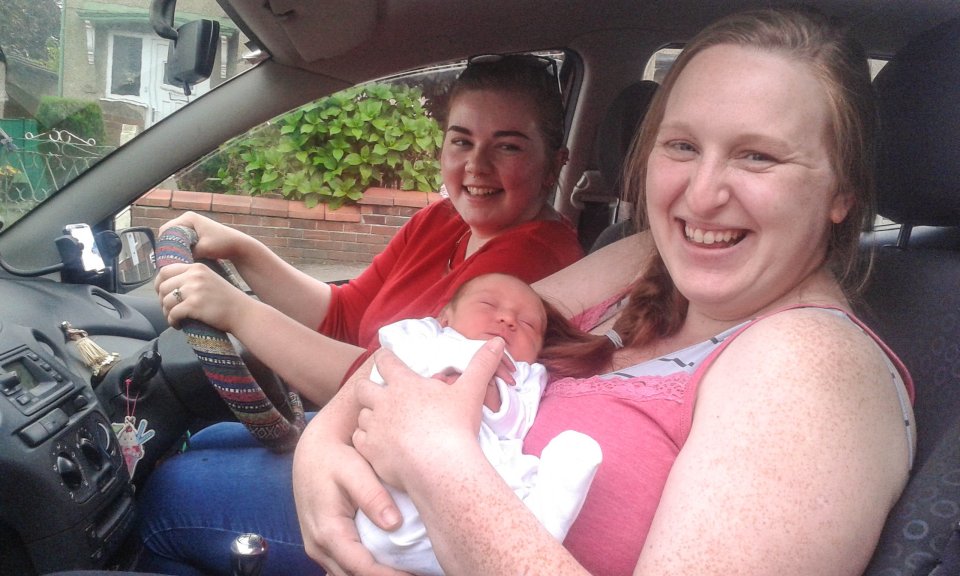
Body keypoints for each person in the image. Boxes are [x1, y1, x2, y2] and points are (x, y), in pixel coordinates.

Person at [292, 7, 917, 576]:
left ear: (842, 193)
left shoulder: (812, 367)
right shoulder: (645, 258)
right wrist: (319, 444)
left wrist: (436, 463)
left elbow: (433, 445)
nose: (701, 195)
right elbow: (436, 342)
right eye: (682, 146)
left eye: (758, 157)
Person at [136, 54, 584, 576]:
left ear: (555, 164)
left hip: (407, 501)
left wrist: (238, 311)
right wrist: (243, 250)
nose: (476, 166)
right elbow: (346, 314)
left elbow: (379, 381)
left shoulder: (533, 268)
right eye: (462, 141)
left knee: (170, 496)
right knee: (207, 441)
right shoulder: (441, 221)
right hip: (359, 444)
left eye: (508, 146)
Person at [355, 273, 602, 576]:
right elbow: (386, 364)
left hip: (480, 504)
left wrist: (494, 396)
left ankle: (535, 533)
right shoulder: (424, 336)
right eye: (488, 304)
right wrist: (466, 360)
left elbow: (518, 423)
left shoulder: (526, 374)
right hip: (392, 500)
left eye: (528, 325)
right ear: (445, 316)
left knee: (525, 472)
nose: (508, 319)